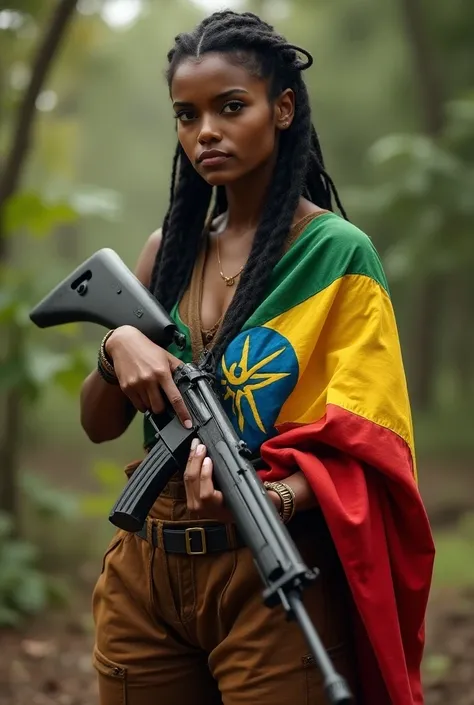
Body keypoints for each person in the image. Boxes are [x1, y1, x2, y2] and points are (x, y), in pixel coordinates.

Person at [80, 10, 435, 705]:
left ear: (283, 108)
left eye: (230, 106)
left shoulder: (337, 256)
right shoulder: (167, 253)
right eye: (187, 115)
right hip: (143, 578)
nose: (205, 130)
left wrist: (271, 496)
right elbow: (99, 424)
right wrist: (114, 345)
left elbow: (372, 442)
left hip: (270, 567)